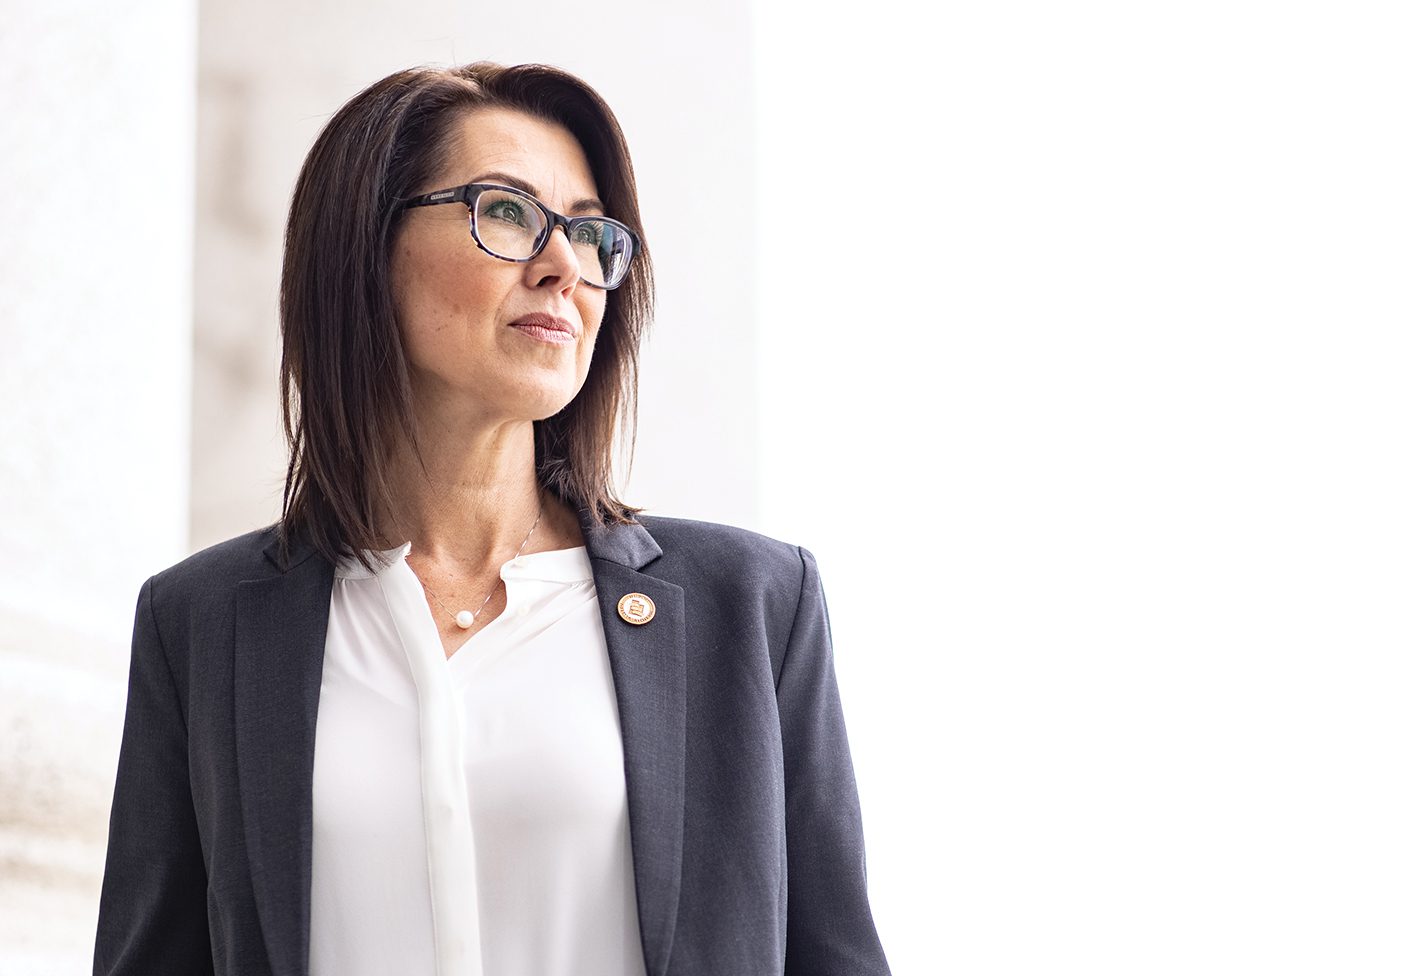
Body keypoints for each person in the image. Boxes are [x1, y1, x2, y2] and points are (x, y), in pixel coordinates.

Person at [92, 61, 891, 976]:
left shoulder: (752, 606)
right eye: (507, 212)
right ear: (365, 246)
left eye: (591, 234)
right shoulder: (199, 626)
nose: (564, 267)